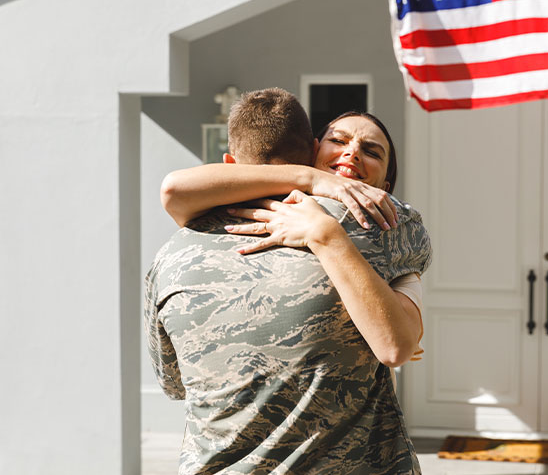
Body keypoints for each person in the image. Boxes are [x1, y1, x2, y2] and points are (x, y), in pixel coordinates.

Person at [145, 88, 431, 474]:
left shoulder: (170, 255)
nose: (351, 154)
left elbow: (176, 385)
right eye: (338, 140)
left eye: (372, 151)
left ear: (383, 187)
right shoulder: (386, 225)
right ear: (313, 151)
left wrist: (326, 233)